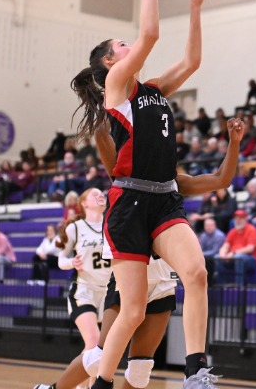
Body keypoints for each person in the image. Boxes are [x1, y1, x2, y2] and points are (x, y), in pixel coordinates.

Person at [69, 0, 219, 388]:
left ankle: (196, 371)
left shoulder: (152, 89)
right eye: (121, 44)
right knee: (132, 311)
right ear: (110, 61)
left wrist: (194, 8)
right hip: (129, 204)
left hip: (165, 200)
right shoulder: (117, 85)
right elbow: (151, 34)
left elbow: (192, 61)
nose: (130, 44)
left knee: (196, 273)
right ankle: (102, 383)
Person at [33, 118, 244, 389]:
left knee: (142, 368)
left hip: (163, 282)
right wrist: (101, 116)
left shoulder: (173, 184)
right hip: (130, 279)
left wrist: (234, 143)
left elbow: (221, 179)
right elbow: (106, 147)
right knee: (100, 357)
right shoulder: (128, 179)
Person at [56, 187, 112, 382]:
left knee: (99, 350)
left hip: (109, 292)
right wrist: (72, 262)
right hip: (84, 290)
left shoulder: (112, 224)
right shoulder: (76, 227)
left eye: (102, 194)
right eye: (95, 194)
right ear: (84, 203)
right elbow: (61, 259)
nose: (100, 196)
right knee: (94, 342)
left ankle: (80, 385)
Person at [215, 209, 256, 285]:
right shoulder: (233, 231)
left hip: (252, 258)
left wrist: (234, 253)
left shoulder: (251, 230)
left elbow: (250, 248)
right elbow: (225, 245)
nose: (238, 221)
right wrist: (222, 254)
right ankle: (221, 285)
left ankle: (239, 286)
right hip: (234, 257)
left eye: (240, 218)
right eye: (236, 218)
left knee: (239, 258)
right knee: (217, 257)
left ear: (245, 219)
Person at [199, 218, 225, 287]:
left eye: (211, 225)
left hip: (217, 258)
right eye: (207, 225)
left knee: (208, 260)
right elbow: (201, 249)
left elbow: (215, 251)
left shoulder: (219, 235)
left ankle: (209, 284)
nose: (209, 227)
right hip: (205, 258)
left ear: (215, 226)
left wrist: (202, 254)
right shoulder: (203, 236)